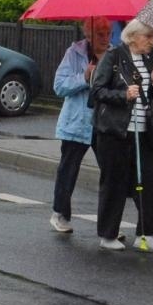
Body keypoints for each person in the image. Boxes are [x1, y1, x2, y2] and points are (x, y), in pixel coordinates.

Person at [89, 19, 153, 252]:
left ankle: (147, 234)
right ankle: (108, 234)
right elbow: (97, 91)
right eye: (149, 37)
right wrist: (123, 95)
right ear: (133, 36)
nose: (152, 42)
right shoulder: (113, 57)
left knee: (149, 182)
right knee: (114, 183)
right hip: (116, 132)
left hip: (142, 131)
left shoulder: (145, 60)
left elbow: (144, 95)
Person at [49, 17, 110, 234]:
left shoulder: (114, 55)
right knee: (69, 169)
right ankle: (60, 213)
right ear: (89, 36)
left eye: (108, 33)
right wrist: (83, 77)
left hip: (104, 122)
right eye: (100, 34)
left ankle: (109, 224)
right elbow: (59, 86)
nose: (105, 38)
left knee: (110, 171)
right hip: (77, 121)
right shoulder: (73, 53)